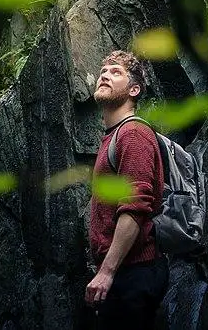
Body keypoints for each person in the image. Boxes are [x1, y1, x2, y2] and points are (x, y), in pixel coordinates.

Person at [85, 50, 169, 329]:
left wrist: (107, 272)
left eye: (115, 71)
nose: (105, 74)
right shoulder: (113, 136)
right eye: (103, 70)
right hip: (124, 273)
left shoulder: (133, 134)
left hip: (134, 273)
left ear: (134, 90)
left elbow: (135, 206)